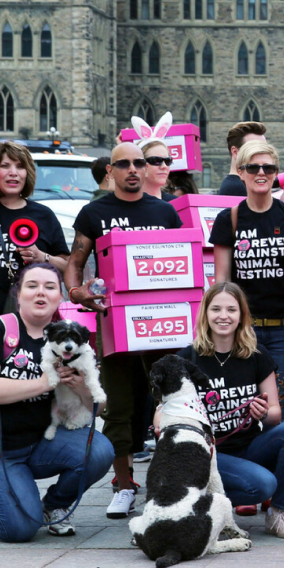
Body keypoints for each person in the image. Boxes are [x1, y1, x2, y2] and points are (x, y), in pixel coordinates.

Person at [65, 142, 183, 520]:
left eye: (140, 162)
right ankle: (124, 484)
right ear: (110, 171)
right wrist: (77, 292)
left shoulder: (165, 212)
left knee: (170, 404)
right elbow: (75, 262)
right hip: (115, 327)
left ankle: (171, 481)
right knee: (118, 407)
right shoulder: (93, 212)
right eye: (125, 164)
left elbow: (185, 262)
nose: (134, 169)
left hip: (162, 328)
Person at [0, 263, 114, 541]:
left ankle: (53, 506)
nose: (40, 293)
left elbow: (99, 409)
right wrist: (45, 383)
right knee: (19, 530)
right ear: (18, 294)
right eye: (32, 286)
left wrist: (83, 389)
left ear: (61, 296)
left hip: (39, 443)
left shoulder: (73, 341)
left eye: (50, 287)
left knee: (99, 450)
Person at [170, 282, 284, 538]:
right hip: (208, 454)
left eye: (231, 309)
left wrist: (263, 411)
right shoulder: (187, 359)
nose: (224, 316)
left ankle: (277, 514)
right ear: (205, 314)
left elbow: (276, 413)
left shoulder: (256, 355)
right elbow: (163, 412)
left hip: (250, 446)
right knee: (262, 485)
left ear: (242, 315)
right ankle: (199, 502)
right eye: (216, 309)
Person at [209, 140, 284, 435]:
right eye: (253, 167)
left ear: (276, 172)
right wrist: (219, 328)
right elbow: (222, 282)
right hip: (245, 331)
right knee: (242, 405)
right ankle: (249, 474)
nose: (261, 172)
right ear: (241, 172)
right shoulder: (229, 219)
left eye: (268, 167)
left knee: (276, 409)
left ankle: (273, 475)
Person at [0, 142, 70, 338]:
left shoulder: (43, 216)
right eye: (4, 166)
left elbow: (68, 267)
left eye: (20, 166)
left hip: (21, 325)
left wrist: (42, 257)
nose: (13, 172)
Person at [218, 122, 268, 197]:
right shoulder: (236, 188)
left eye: (265, 149)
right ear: (235, 152)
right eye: (254, 149)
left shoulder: (239, 184)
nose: (262, 154)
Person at [136, 137, 177, 203]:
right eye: (156, 161)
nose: (164, 166)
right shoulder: (125, 205)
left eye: (168, 161)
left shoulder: (176, 203)